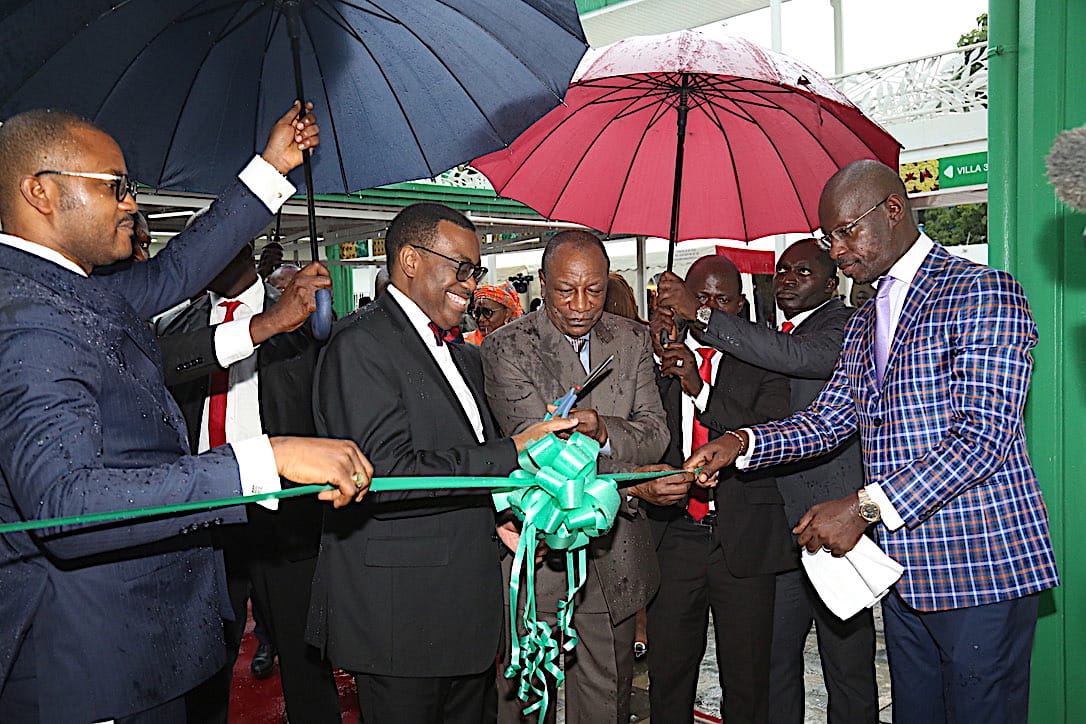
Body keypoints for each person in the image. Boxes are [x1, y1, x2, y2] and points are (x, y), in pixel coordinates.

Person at [0, 103, 373, 723]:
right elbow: (66, 507)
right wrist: (264, 457)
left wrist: (273, 165)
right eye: (115, 186)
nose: (131, 204)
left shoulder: (67, 287)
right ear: (40, 192)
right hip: (88, 659)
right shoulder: (27, 315)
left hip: (134, 642)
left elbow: (179, 267)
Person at [681, 160, 1059, 724]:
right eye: (828, 236)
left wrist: (864, 506)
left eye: (845, 231)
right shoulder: (864, 320)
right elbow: (830, 419)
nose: (835, 250)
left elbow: (983, 437)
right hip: (905, 577)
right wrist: (740, 442)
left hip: (981, 569)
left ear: (892, 209)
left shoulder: (982, 291)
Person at [307, 202, 573, 724]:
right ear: (409, 259)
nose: (471, 284)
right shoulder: (360, 344)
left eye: (475, 271)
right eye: (461, 267)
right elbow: (382, 476)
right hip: (400, 622)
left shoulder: (464, 356)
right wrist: (513, 450)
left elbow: (455, 461)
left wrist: (496, 515)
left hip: (463, 619)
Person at [655, 240, 878, 724]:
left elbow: (792, 364)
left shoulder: (841, 327)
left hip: (835, 520)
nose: (787, 278)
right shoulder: (758, 337)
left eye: (803, 270)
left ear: (832, 281)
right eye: (781, 270)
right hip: (778, 529)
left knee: (847, 666)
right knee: (773, 666)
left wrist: (700, 316)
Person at [481, 230, 677, 724]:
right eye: (566, 290)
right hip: (538, 550)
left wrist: (604, 428)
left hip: (615, 551)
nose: (580, 305)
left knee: (605, 699)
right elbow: (540, 454)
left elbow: (656, 435)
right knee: (526, 699)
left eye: (593, 290)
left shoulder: (630, 339)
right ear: (543, 283)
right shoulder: (508, 346)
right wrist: (633, 477)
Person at [157, 244, 341, 723]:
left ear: (241, 251)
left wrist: (318, 316)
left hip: (285, 513)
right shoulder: (178, 327)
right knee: (203, 663)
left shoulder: (304, 321)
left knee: (305, 661)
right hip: (205, 514)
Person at [647, 254, 794, 724]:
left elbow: (772, 431)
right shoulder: (657, 354)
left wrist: (698, 384)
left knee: (748, 679)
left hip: (745, 538)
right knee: (668, 673)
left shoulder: (766, 356)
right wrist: (661, 359)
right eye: (698, 298)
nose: (706, 308)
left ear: (742, 304)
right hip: (673, 537)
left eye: (721, 300)